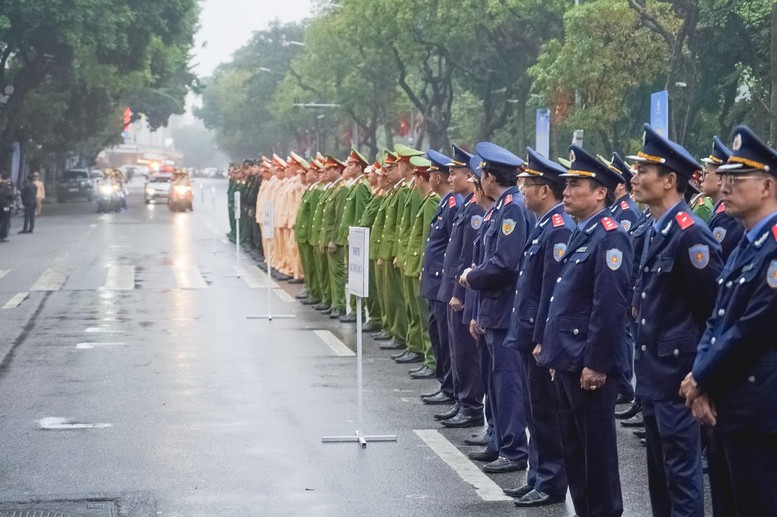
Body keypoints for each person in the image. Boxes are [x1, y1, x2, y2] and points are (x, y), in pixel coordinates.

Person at [681, 125, 777, 517]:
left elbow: (752, 330)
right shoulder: (746, 243)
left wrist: (702, 378)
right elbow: (716, 320)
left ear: (767, 187)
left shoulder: (772, 248)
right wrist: (702, 379)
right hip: (727, 404)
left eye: (738, 178)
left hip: (758, 410)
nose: (726, 183)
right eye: (726, 176)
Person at [628, 123, 723, 517]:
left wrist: (704, 378)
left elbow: (713, 312)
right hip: (653, 377)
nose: (635, 177)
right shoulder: (655, 228)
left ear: (669, 180)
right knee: (660, 482)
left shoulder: (691, 234)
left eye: (644, 171)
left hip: (679, 379)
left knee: (682, 482)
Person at [538, 144, 633, 517]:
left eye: (577, 183)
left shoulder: (610, 236)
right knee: (576, 455)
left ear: (600, 192)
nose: (567, 190)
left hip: (588, 367)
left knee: (598, 459)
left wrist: (596, 363)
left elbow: (608, 308)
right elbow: (565, 301)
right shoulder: (583, 232)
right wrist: (553, 352)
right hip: (568, 361)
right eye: (567, 183)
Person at [502, 147, 573, 507]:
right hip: (530, 334)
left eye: (527, 183)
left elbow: (554, 293)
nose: (521, 189)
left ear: (545, 190)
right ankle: (537, 474)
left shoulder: (559, 229)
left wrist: (544, 339)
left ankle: (550, 481)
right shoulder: (545, 225)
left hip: (541, 339)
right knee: (534, 410)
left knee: (545, 413)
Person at [460, 141, 531, 474]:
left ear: (490, 177)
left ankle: (514, 448)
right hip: (493, 308)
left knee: (508, 382)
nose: (481, 179)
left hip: (505, 308)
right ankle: (499, 440)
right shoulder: (502, 207)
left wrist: (471, 277)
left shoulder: (512, 208)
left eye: (483, 173)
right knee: (495, 381)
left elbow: (504, 263)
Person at [433, 145, 485, 422]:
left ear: (469, 176)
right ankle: (461, 400)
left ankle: (471, 407)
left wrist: (458, 292)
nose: (449, 178)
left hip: (461, 290)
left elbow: (468, 256)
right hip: (452, 286)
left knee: (466, 351)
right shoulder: (465, 205)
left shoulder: (475, 209)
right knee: (455, 348)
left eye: (454, 174)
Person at [702, 136, 745, 261]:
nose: (701, 178)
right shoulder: (720, 213)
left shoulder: (728, 218)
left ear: (720, 178)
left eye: (706, 173)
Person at [0, 174, 13, 242]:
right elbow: (10, 196)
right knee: (5, 220)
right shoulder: (7, 186)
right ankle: (2, 236)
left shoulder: (1, 185)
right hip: (6, 206)